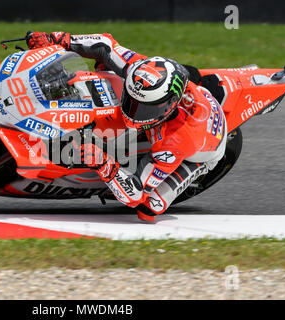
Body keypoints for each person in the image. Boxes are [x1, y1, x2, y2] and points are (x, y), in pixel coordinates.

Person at [26, 31, 227, 222]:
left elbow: (136, 194)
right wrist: (57, 39)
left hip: (204, 152)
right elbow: (105, 44)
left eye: (144, 109)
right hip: (189, 104)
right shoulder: (141, 70)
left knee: (149, 208)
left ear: (168, 107)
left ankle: (198, 169)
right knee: (104, 68)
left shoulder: (176, 141)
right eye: (131, 101)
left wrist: (102, 163)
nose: (133, 112)